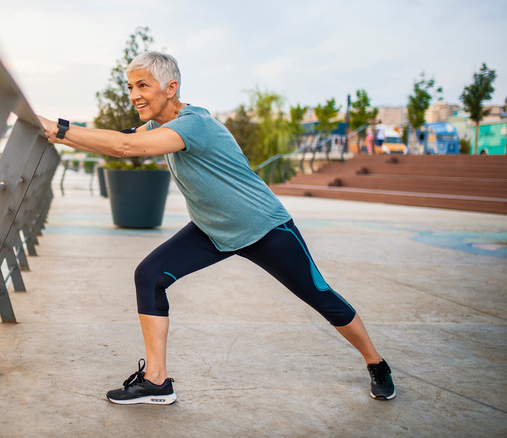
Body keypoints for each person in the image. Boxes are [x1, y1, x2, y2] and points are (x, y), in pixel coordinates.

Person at [38, 51, 395, 405]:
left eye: (142, 85)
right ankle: (156, 382)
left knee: (319, 295)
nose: (134, 95)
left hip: (263, 227)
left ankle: (376, 364)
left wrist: (59, 127)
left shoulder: (194, 123)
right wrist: (56, 135)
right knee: (149, 275)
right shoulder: (158, 126)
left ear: (171, 87)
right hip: (211, 230)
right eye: (130, 86)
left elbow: (125, 146)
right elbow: (120, 135)